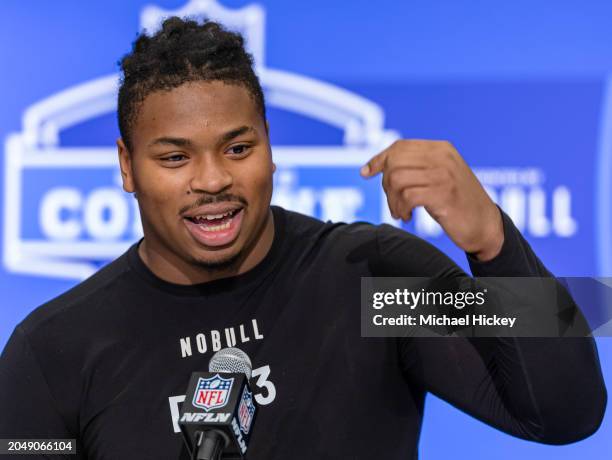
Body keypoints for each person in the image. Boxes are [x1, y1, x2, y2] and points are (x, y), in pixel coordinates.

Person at [0, 17, 606, 460]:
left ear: (268, 143)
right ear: (128, 166)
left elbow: (566, 412)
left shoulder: (373, 282)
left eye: (238, 148)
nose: (213, 180)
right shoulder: (56, 349)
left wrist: (494, 245)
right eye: (175, 157)